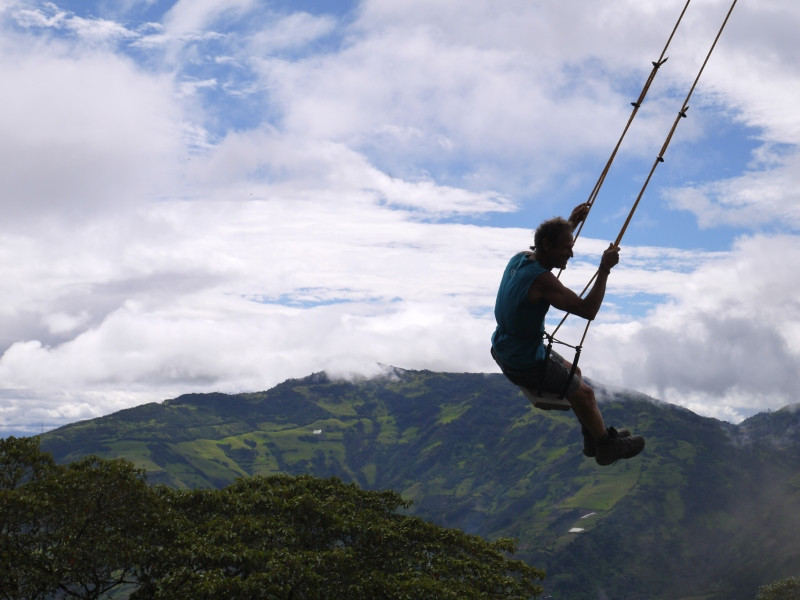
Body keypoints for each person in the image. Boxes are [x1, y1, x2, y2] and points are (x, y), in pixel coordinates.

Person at [491, 202, 645, 466]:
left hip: (504, 346)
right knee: (584, 394)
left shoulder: (519, 259)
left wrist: (572, 222)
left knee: (575, 373)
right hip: (523, 360)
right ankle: (606, 447)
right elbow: (588, 310)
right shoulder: (542, 280)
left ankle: (593, 437)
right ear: (547, 246)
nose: (570, 255)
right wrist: (604, 269)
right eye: (566, 248)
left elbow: (546, 243)